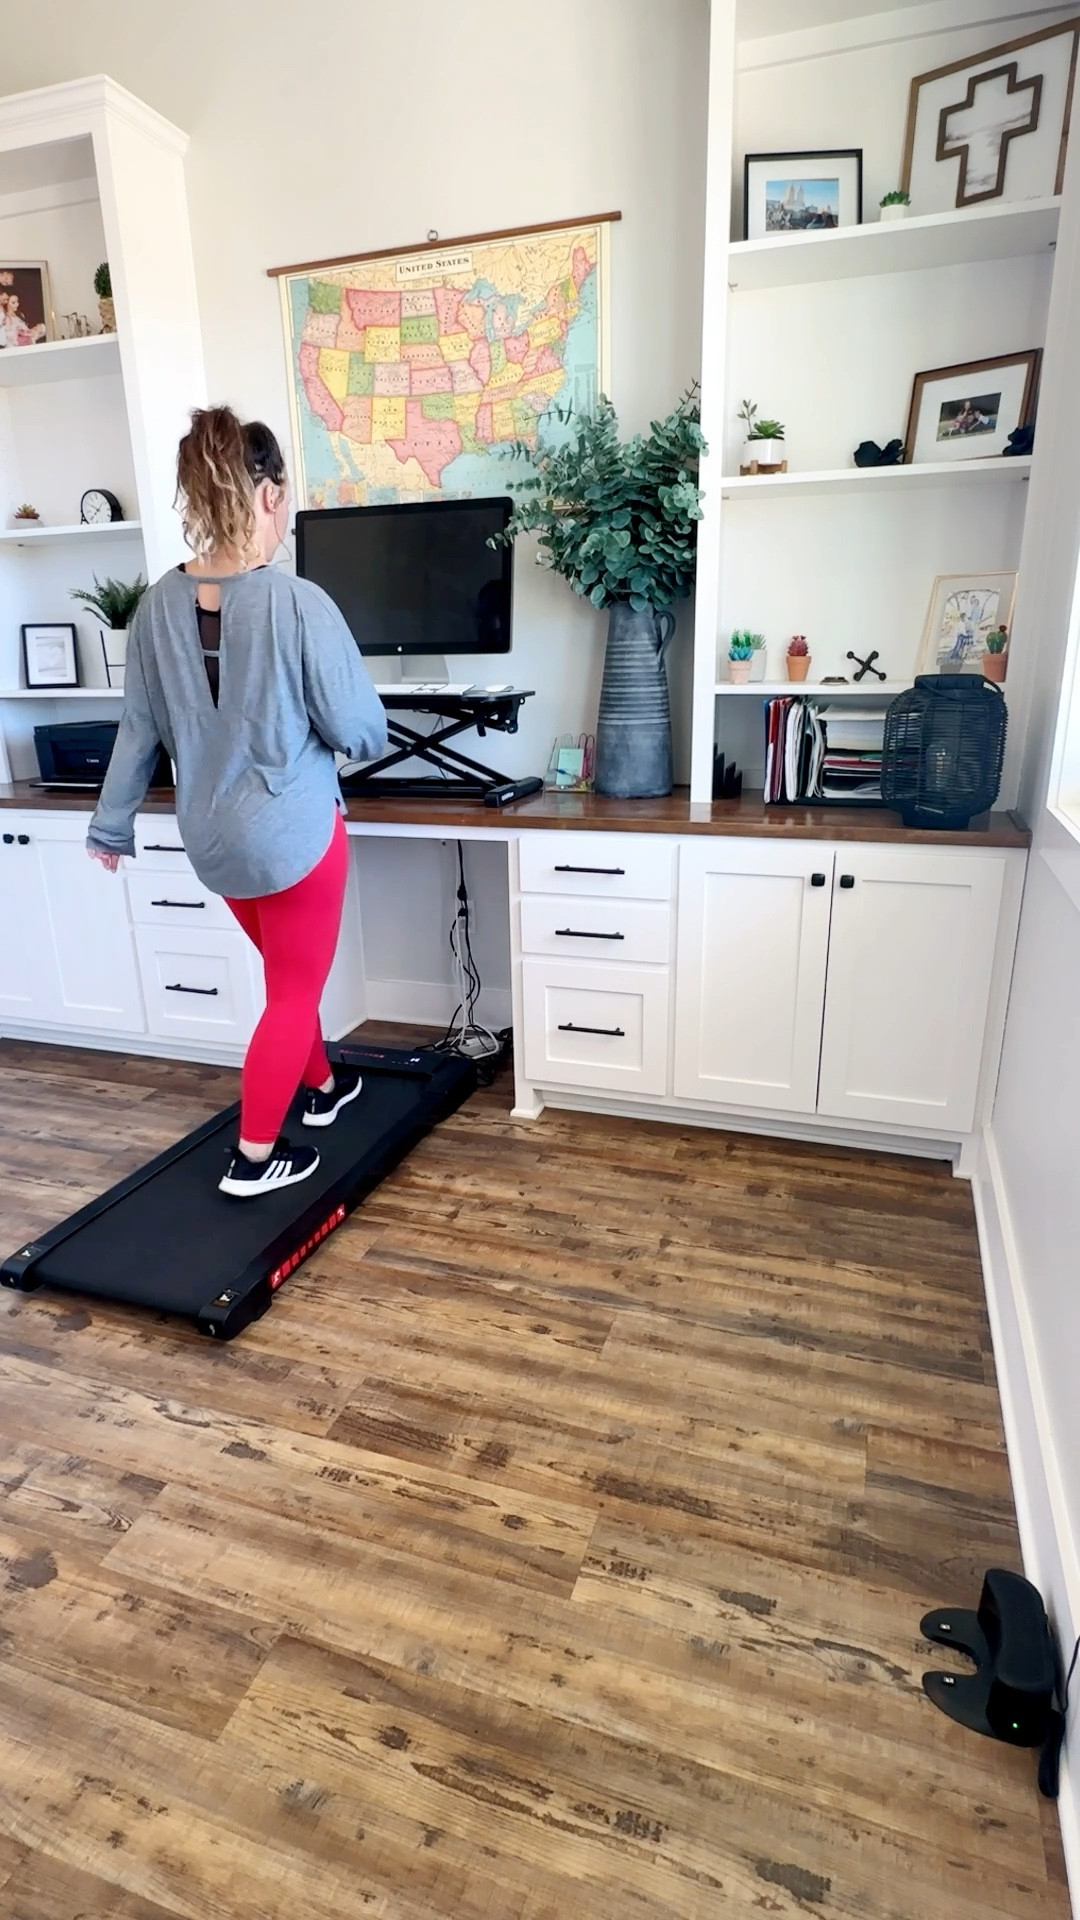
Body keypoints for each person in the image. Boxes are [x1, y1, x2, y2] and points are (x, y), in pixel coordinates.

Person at [86, 406, 387, 1198]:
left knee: (289, 977)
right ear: (269, 494)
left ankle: (324, 1088)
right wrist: (349, 740)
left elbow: (138, 729)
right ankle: (252, 1158)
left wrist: (110, 826)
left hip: (213, 842)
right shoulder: (298, 604)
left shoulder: (154, 607)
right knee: (291, 992)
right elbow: (360, 729)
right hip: (293, 837)